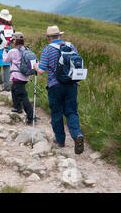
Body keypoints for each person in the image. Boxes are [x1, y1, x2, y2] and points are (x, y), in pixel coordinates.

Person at [34, 26, 84, 154]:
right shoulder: (71, 46)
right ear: (59, 35)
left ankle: (60, 140)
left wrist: (35, 66)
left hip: (55, 85)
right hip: (72, 84)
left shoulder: (47, 50)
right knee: (71, 112)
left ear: (48, 37)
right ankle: (77, 134)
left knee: (56, 112)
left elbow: (41, 70)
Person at [2, 32, 34, 125]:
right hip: (25, 76)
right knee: (14, 89)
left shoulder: (13, 51)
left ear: (15, 40)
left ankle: (30, 116)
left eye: (12, 40)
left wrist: (5, 49)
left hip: (17, 76)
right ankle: (17, 107)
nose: (11, 42)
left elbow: (5, 60)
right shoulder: (26, 49)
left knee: (23, 96)